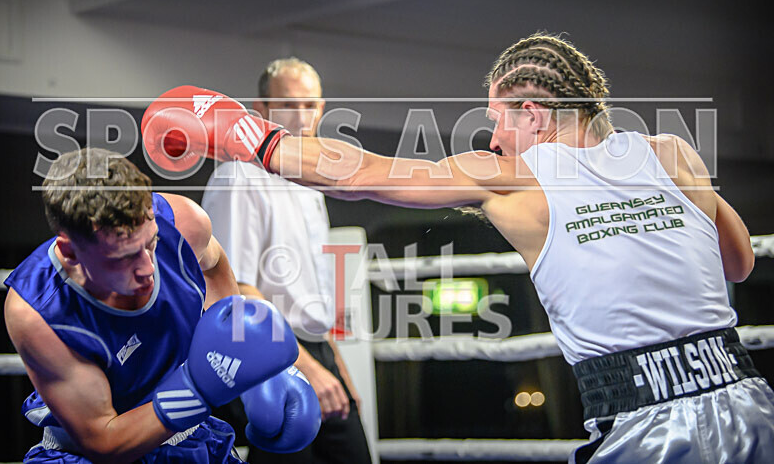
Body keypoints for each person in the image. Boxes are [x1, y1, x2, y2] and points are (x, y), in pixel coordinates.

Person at [142, 32, 774, 463]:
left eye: (499, 117)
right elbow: (738, 262)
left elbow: (363, 174)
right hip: (751, 404)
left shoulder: (510, 177)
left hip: (646, 427)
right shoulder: (672, 152)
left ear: (532, 112)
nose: (495, 135)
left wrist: (248, 136)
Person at [4, 148, 320, 463]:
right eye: (124, 258)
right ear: (70, 253)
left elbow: (213, 265)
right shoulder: (38, 313)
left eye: (150, 243)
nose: (147, 268)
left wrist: (242, 348)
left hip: (190, 437)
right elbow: (104, 440)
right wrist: (196, 389)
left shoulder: (184, 223)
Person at [201, 58, 372, 463]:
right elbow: (236, 289)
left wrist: (337, 367)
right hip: (266, 354)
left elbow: (309, 294)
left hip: (314, 348)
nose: (300, 116)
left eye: (309, 105)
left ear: (322, 110)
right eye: (288, 105)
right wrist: (307, 369)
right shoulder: (238, 176)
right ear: (260, 111)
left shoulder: (311, 183)